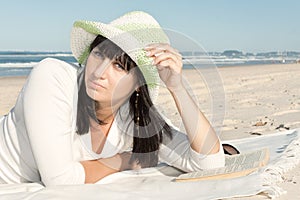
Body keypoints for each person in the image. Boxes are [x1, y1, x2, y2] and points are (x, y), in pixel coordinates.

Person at [0, 11, 225, 186]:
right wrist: (124, 160)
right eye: (98, 54)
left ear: (138, 84)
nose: (99, 72)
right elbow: (60, 180)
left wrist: (177, 88)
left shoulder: (133, 119)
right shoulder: (53, 77)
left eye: (119, 65)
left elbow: (210, 164)